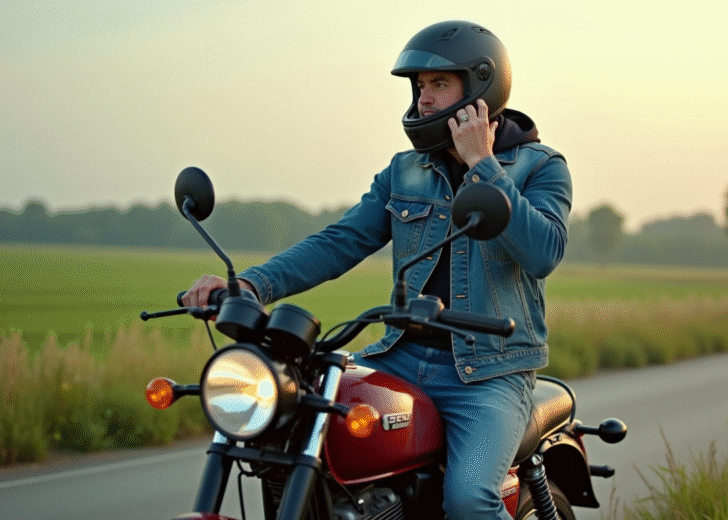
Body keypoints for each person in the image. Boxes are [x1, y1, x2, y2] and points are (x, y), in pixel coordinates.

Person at [182, 20, 571, 520]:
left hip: (490, 372)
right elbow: (341, 241)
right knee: (304, 435)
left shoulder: (539, 166)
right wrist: (251, 284)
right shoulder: (405, 170)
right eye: (420, 86)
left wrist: (483, 165)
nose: (424, 99)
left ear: (480, 86)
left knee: (470, 500)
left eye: (439, 84)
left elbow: (543, 253)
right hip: (399, 356)